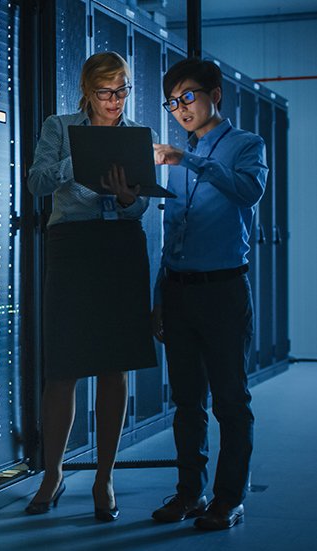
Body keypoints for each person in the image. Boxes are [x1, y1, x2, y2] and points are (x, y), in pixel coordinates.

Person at [25, 52, 157, 522]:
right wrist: (75, 161)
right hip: (72, 246)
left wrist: (127, 199)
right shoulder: (59, 127)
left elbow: (141, 208)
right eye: (106, 93)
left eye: (122, 91)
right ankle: (53, 472)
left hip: (120, 246)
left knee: (114, 365)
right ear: (87, 91)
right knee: (63, 366)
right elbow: (37, 182)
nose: (115, 101)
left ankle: (105, 476)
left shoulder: (141, 135)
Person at [150, 57, 267, 530]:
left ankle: (228, 499)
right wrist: (160, 295)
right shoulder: (175, 161)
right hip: (179, 293)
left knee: (231, 403)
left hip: (223, 291)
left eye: (189, 97)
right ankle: (188, 493)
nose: (180, 109)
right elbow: (173, 232)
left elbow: (248, 191)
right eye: (173, 101)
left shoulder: (246, 144)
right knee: (187, 402)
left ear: (215, 94)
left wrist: (189, 159)